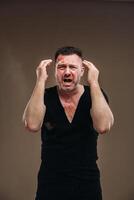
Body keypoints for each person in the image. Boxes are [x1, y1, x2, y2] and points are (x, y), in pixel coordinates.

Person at [22, 46, 114, 200]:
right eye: (61, 67)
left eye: (73, 67)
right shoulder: (44, 96)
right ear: (55, 71)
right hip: (50, 182)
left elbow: (103, 126)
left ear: (82, 71)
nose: (67, 72)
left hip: (87, 181)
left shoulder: (95, 95)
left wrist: (94, 83)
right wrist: (40, 81)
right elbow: (31, 125)